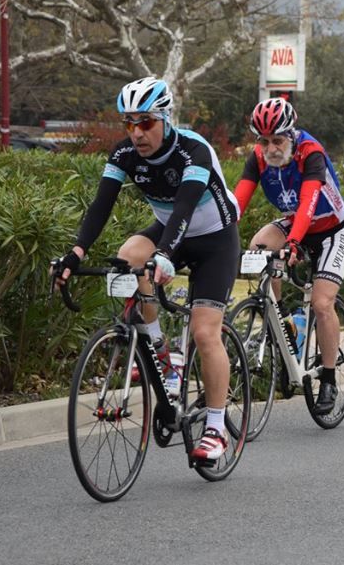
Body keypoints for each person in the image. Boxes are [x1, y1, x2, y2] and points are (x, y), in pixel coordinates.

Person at [53, 77, 241, 462]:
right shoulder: (125, 154)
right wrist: (74, 254)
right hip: (170, 230)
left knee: (206, 333)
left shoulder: (193, 151)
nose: (137, 133)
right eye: (129, 123)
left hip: (215, 240)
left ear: (166, 118)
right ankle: (160, 349)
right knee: (127, 257)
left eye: (146, 122)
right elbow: (100, 206)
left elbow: (186, 208)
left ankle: (217, 428)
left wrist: (167, 255)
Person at [233, 97, 344, 415]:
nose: (271, 148)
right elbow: (237, 203)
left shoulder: (310, 152)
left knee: (322, 303)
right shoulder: (258, 158)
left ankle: (328, 378)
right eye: (263, 141)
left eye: (277, 140)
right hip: (293, 224)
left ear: (292, 134)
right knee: (259, 247)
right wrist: (218, 235)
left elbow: (309, 201)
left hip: (330, 229)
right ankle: (284, 324)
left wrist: (295, 243)